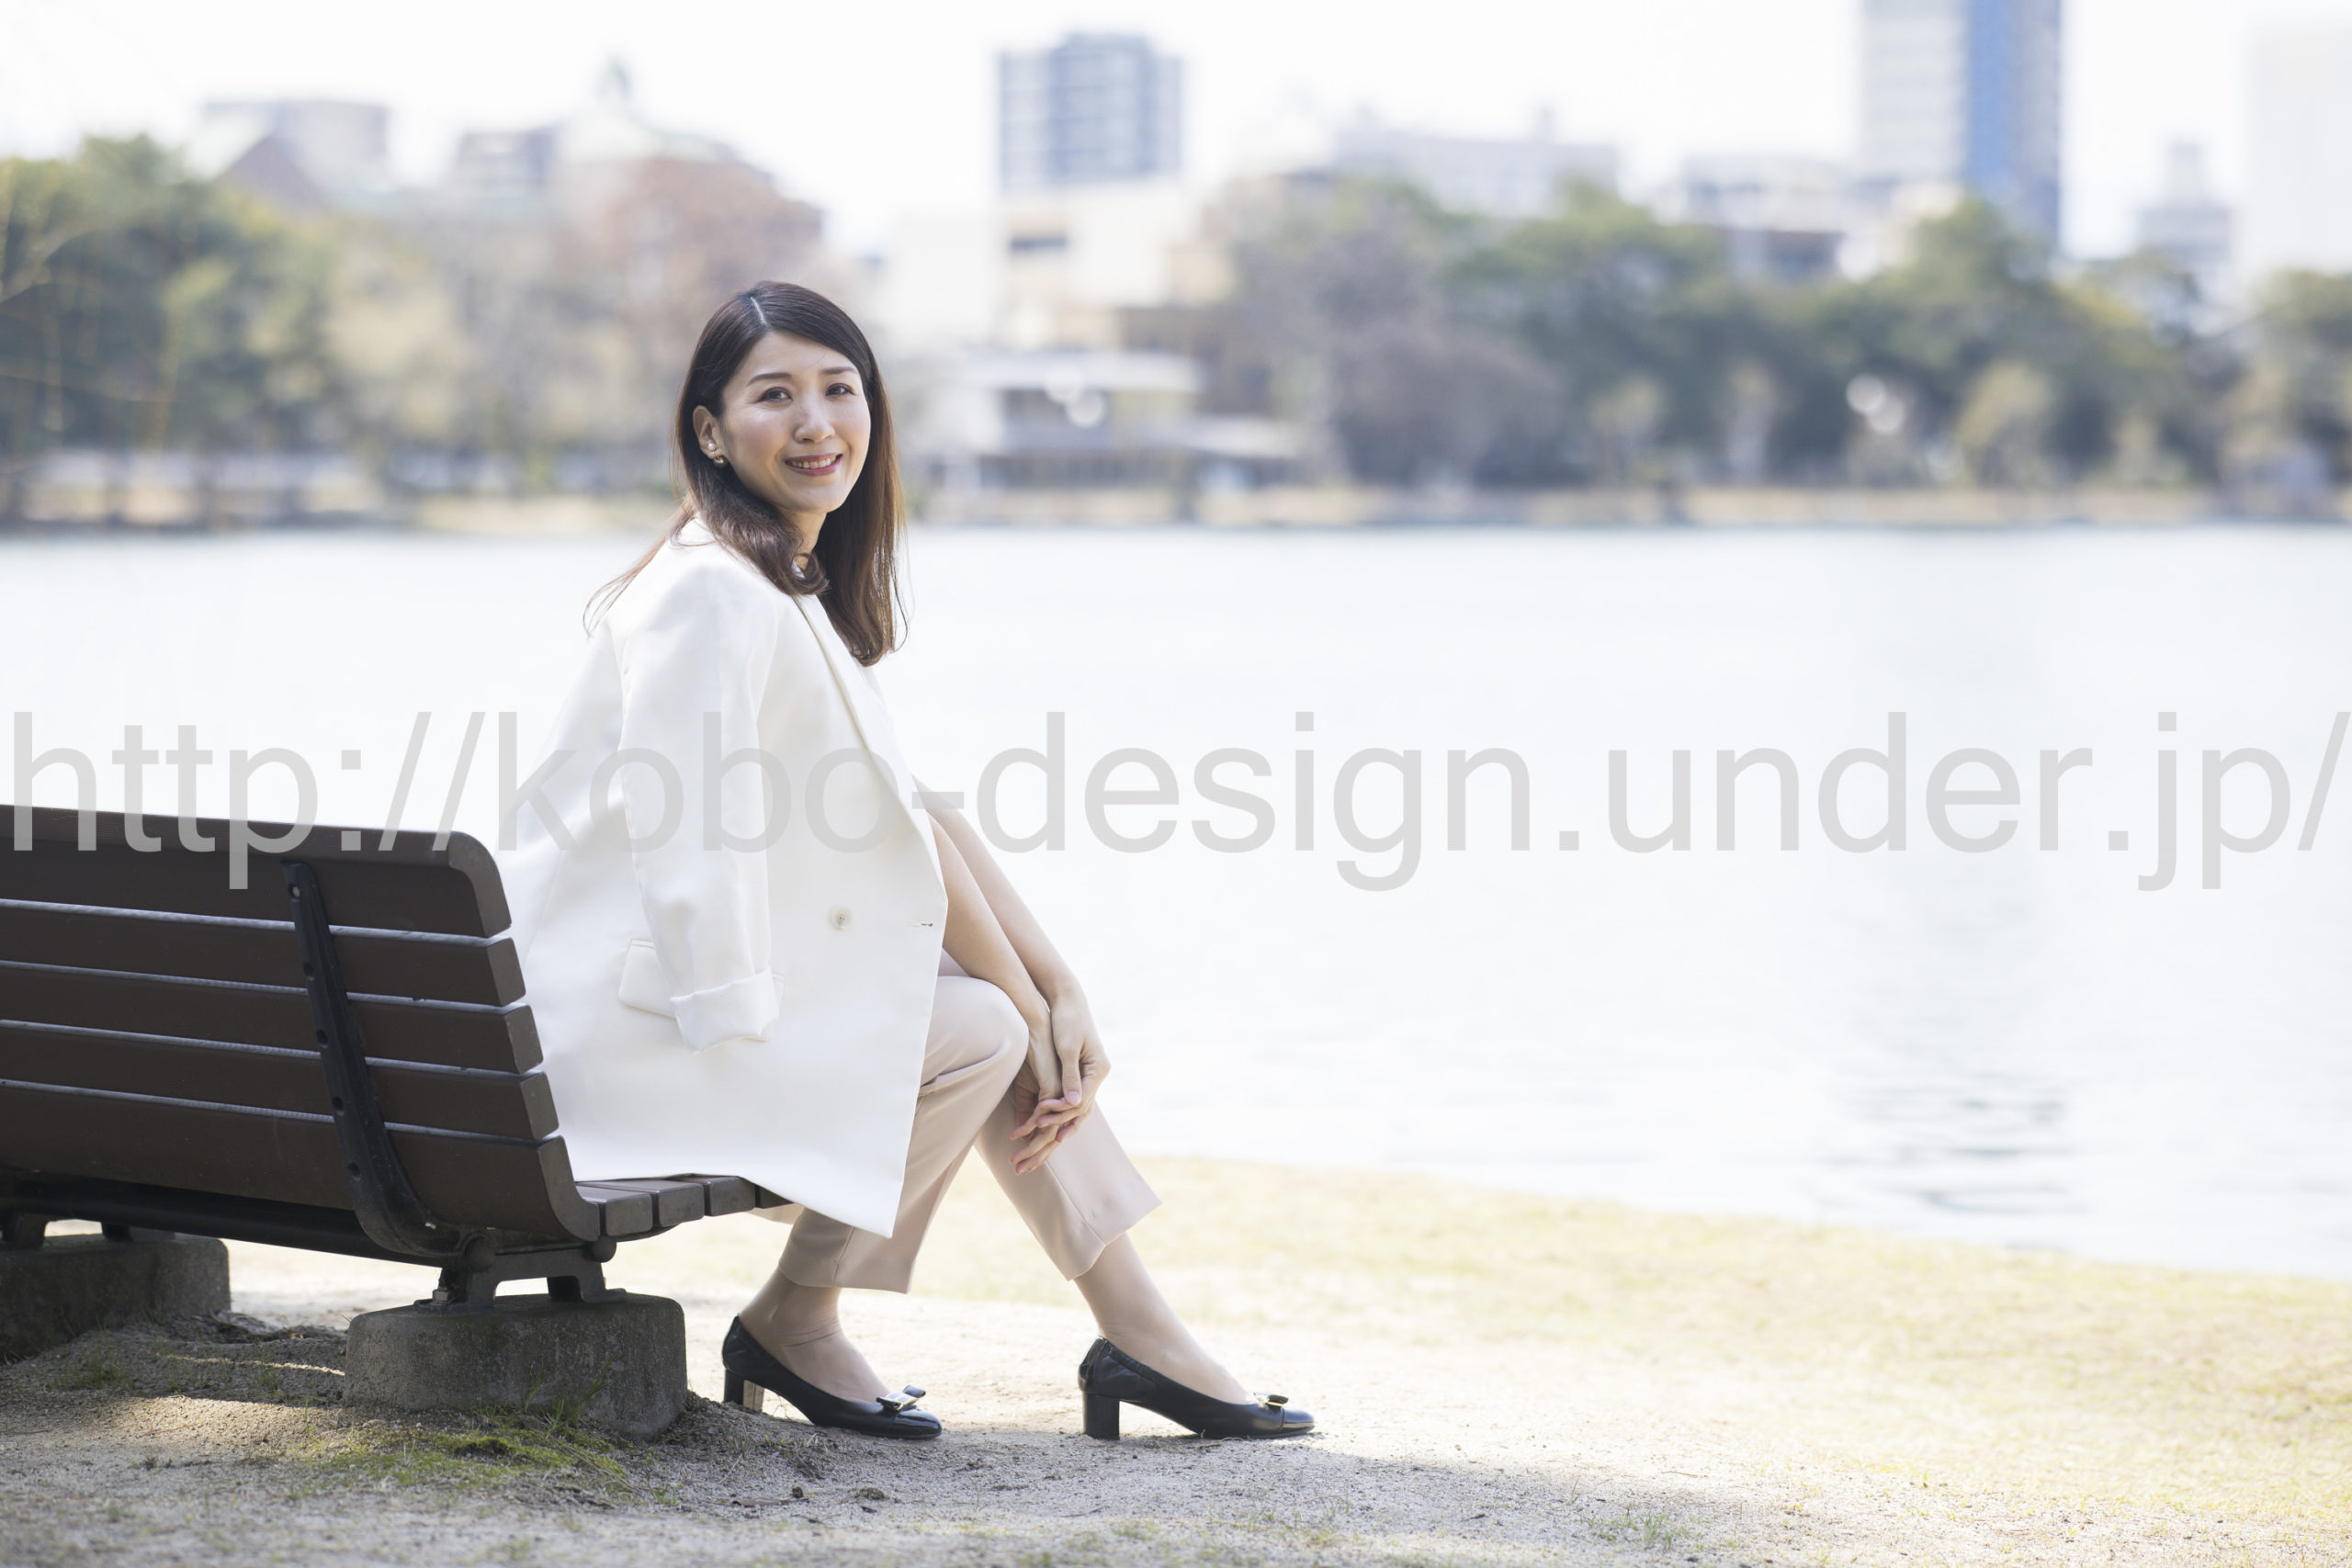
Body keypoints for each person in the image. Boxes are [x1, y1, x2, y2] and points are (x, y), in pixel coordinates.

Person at [502, 281, 1311, 1444]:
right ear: (710, 431)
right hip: (646, 1043)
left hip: (653, 1017)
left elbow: (912, 817)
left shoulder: (770, 584)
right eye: (775, 395)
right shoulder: (710, 595)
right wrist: (1021, 1005)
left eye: (840, 389)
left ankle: (1133, 1325)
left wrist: (1058, 987)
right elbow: (693, 853)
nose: (816, 422)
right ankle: (807, 1313)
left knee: (995, 1015)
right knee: (979, 1028)